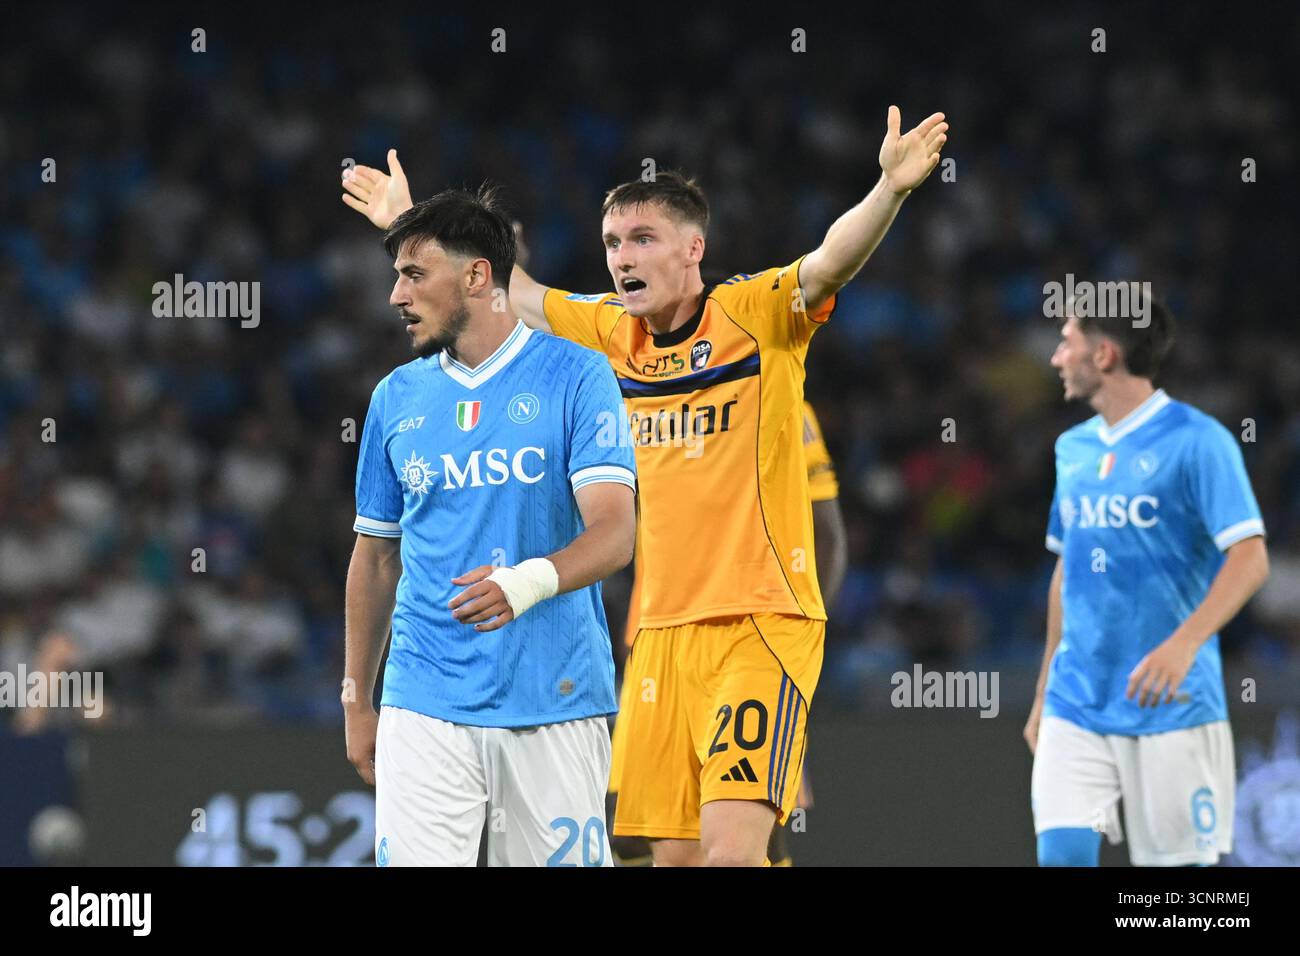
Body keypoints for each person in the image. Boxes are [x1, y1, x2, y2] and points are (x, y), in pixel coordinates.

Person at [342, 105, 947, 865]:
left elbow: (830, 261)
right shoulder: (605, 333)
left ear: (694, 249)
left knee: (731, 855)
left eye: (642, 240)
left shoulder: (754, 316)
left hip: (759, 620)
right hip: (658, 635)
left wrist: (887, 190)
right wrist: (408, 225)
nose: (621, 256)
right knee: (672, 861)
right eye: (611, 243)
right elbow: (506, 289)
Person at [342, 188, 637, 866]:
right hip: (424, 695)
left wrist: (527, 582)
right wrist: (359, 698)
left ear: (477, 276)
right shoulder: (396, 398)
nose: (396, 295)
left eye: (415, 275)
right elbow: (376, 559)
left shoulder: (578, 376)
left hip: (555, 694)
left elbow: (615, 533)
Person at [1025, 296, 1270, 866]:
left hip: (1169, 703)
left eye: (1069, 342)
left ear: (1105, 354)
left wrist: (1184, 645)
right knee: (1061, 858)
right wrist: (1043, 691)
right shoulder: (1072, 449)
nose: (1058, 357)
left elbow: (1251, 557)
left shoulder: (1198, 441)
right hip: (1077, 701)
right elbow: (1069, 570)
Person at [606, 399, 849, 866]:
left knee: (741, 831)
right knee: (635, 832)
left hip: (747, 641)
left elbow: (829, 538)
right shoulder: (633, 392)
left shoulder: (779, 400)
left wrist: (794, 674)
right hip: (654, 644)